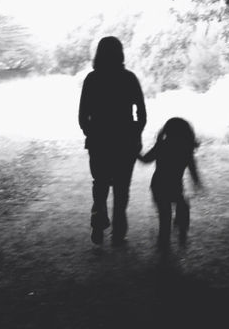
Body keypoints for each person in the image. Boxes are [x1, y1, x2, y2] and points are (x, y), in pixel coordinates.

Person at [78, 36, 147, 245]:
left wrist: (91, 133)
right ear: (120, 53)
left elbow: (83, 115)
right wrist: (135, 133)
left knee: (100, 186)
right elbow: (142, 113)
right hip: (125, 142)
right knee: (121, 188)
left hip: (99, 141)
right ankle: (118, 234)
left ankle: (98, 224)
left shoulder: (92, 79)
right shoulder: (129, 78)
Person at [138, 117, 202, 247]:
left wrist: (135, 151)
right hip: (176, 186)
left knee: (164, 216)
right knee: (183, 206)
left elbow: (145, 160)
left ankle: (164, 243)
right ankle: (182, 232)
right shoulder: (186, 149)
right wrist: (197, 183)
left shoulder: (162, 146)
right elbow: (192, 170)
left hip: (158, 186)